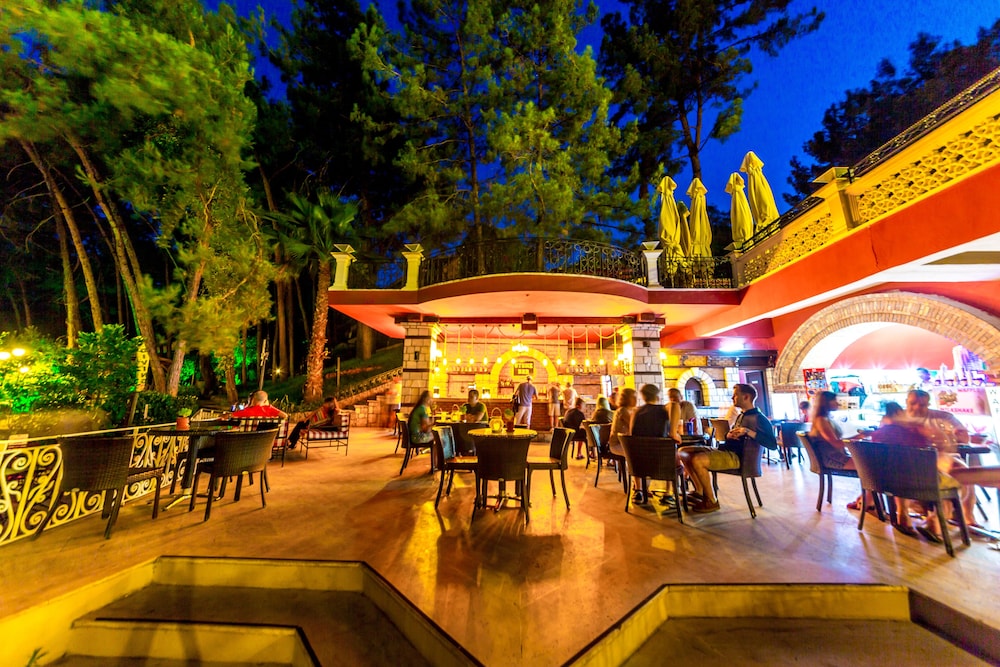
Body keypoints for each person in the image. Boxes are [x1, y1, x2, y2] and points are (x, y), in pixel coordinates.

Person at [678, 383, 776, 513]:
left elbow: (772, 444)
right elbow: (732, 437)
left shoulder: (759, 418)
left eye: (735, 395)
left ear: (746, 397)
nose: (732, 398)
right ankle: (699, 491)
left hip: (738, 457)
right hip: (726, 451)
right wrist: (728, 435)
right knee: (683, 452)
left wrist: (748, 432)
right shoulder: (742, 415)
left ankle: (711, 501)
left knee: (698, 460)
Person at [628, 384, 672, 504]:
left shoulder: (636, 412)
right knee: (673, 454)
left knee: (636, 450)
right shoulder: (664, 411)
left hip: (640, 463)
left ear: (643, 396)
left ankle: (638, 490)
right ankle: (668, 493)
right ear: (657, 396)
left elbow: (632, 435)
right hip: (661, 462)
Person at [808, 391, 857, 472]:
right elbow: (836, 444)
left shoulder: (825, 419)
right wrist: (858, 437)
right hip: (832, 458)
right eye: (835, 400)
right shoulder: (821, 421)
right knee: (869, 464)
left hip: (836, 456)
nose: (838, 403)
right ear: (826, 403)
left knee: (870, 461)